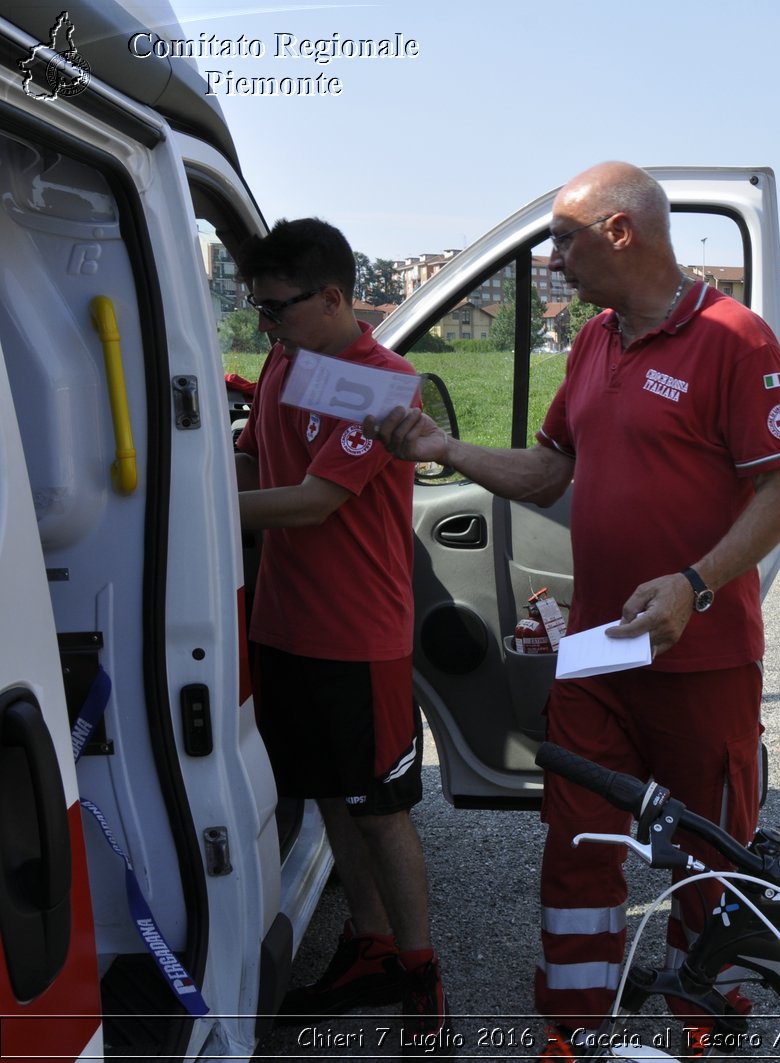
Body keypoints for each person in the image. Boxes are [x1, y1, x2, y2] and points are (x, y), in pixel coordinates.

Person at [365, 162, 780, 1051]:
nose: (554, 260)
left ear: (619, 232)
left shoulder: (735, 338)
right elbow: (549, 468)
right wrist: (441, 446)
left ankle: (701, 1027)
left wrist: (696, 584)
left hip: (702, 657)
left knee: (706, 863)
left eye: (564, 238)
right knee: (576, 852)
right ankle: (575, 1032)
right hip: (603, 653)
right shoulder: (595, 342)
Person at [234, 219, 450, 1052]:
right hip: (283, 626)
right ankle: (369, 945)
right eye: (258, 311)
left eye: (278, 309)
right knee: (328, 794)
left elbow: (315, 500)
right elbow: (258, 465)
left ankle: (423, 981)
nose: (268, 326)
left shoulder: (385, 384)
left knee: (381, 807)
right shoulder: (289, 359)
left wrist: (187, 509)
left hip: (357, 637)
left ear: (333, 297)